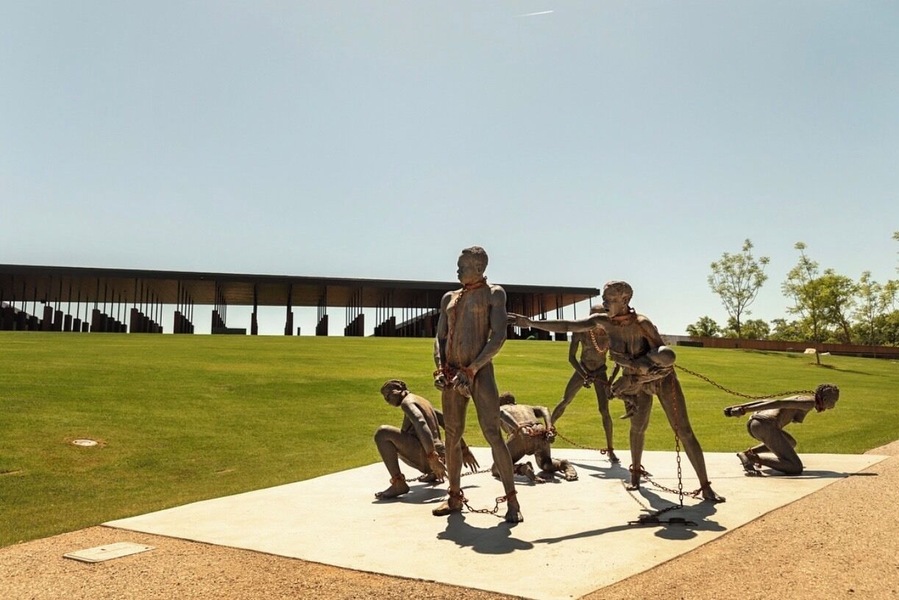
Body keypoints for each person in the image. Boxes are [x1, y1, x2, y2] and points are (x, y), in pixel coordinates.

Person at [509, 280, 725, 502]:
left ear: (625, 300)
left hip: (661, 380)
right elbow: (568, 326)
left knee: (684, 431)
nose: (605, 303)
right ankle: (635, 474)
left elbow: (664, 361)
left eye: (610, 299)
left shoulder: (643, 324)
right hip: (636, 382)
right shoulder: (602, 321)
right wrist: (532, 323)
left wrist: (632, 378)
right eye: (604, 299)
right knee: (637, 429)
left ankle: (705, 485)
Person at [432, 246, 523, 522]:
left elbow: (497, 337)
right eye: (458, 266)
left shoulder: (494, 293)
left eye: (463, 266)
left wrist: (472, 369)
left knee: (492, 433)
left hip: (479, 372)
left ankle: (512, 501)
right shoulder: (450, 297)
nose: (457, 270)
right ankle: (454, 495)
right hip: (451, 373)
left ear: (479, 268)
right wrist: (439, 368)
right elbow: (440, 338)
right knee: (452, 434)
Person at [373, 379, 479, 499]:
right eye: (385, 398)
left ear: (400, 388)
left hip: (430, 458)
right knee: (407, 434)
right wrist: (463, 449)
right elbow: (446, 422)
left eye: (389, 394)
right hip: (440, 457)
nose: (387, 400)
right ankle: (433, 473)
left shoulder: (407, 403)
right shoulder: (420, 400)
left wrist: (432, 457)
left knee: (382, 433)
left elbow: (421, 423)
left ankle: (398, 482)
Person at [551, 304, 620, 463]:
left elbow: (618, 361)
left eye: (600, 316)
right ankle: (548, 429)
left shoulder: (611, 335)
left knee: (604, 410)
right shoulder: (581, 332)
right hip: (583, 368)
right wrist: (584, 375)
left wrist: (610, 380)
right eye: (593, 316)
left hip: (600, 372)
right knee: (565, 400)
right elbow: (571, 358)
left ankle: (610, 449)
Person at [723, 384, 840, 476]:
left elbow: (767, 401)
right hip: (765, 426)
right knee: (795, 467)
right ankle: (751, 458)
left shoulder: (806, 398)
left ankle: (748, 453)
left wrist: (738, 407)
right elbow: (777, 403)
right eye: (833, 402)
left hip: (756, 425)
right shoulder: (809, 403)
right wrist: (743, 410)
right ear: (825, 399)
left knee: (791, 442)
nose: (833, 406)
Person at [497, 392, 578, 482]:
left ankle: (521, 468)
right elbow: (544, 409)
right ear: (514, 402)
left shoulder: (500, 408)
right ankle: (562, 464)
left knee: (497, 468)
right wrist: (549, 428)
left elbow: (500, 413)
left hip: (523, 433)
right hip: (540, 431)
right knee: (545, 464)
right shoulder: (525, 407)